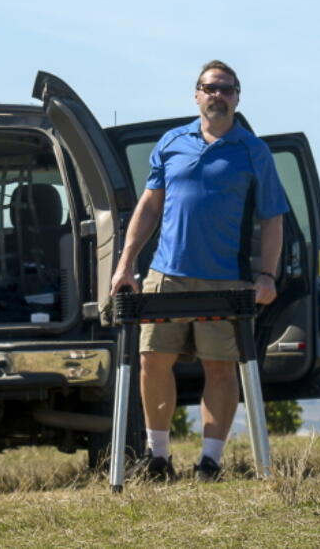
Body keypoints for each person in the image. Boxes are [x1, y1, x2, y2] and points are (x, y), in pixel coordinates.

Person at [110, 60, 289, 482]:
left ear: (237, 97)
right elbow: (149, 205)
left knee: (220, 368)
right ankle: (158, 458)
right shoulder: (171, 142)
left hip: (225, 278)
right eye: (210, 88)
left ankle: (210, 462)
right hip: (165, 274)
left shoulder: (252, 150)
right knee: (152, 360)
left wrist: (267, 276)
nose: (218, 96)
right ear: (196, 94)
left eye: (227, 89)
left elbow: (273, 217)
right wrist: (126, 264)